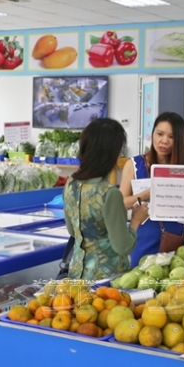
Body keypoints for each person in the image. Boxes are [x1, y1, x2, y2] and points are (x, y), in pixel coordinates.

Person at [63, 118, 149, 281]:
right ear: (112, 153)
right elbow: (123, 246)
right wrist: (136, 220)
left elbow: (72, 231)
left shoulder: (71, 183)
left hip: (77, 274)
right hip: (106, 280)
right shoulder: (109, 193)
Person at [119, 111, 184, 266]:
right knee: (139, 277)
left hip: (176, 237)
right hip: (144, 237)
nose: (164, 141)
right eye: (160, 134)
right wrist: (147, 193)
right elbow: (121, 202)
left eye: (171, 137)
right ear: (152, 134)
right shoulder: (134, 165)